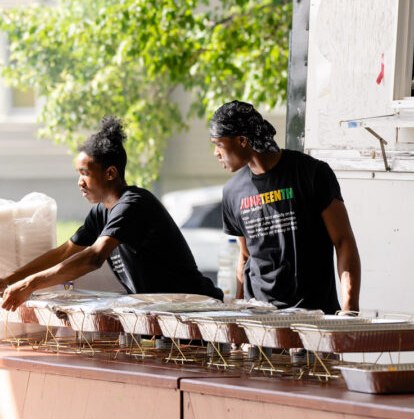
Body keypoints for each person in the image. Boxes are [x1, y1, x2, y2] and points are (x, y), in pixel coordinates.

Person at [1, 116, 222, 310]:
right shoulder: (101, 212)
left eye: (85, 173)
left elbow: (93, 258)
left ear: (110, 172)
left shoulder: (133, 205)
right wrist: (10, 280)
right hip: (165, 313)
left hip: (196, 308)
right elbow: (65, 252)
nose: (80, 182)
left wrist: (29, 285)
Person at [210, 101, 360, 314]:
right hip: (259, 323)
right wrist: (238, 319)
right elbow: (245, 257)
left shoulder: (312, 174)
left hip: (313, 321)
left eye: (218, 144)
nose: (216, 153)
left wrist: (350, 309)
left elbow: (343, 241)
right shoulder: (232, 192)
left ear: (242, 140)